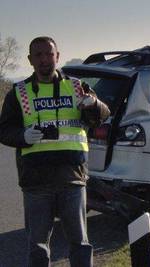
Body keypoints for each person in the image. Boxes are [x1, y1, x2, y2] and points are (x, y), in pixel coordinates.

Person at [0, 36, 110, 266]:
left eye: (49, 54)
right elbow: (4, 130)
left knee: (80, 244)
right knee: (38, 247)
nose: (44, 60)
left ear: (57, 56)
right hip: (36, 182)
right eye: (38, 55)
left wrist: (94, 105)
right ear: (30, 60)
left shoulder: (78, 87)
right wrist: (22, 136)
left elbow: (103, 115)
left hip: (72, 178)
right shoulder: (20, 92)